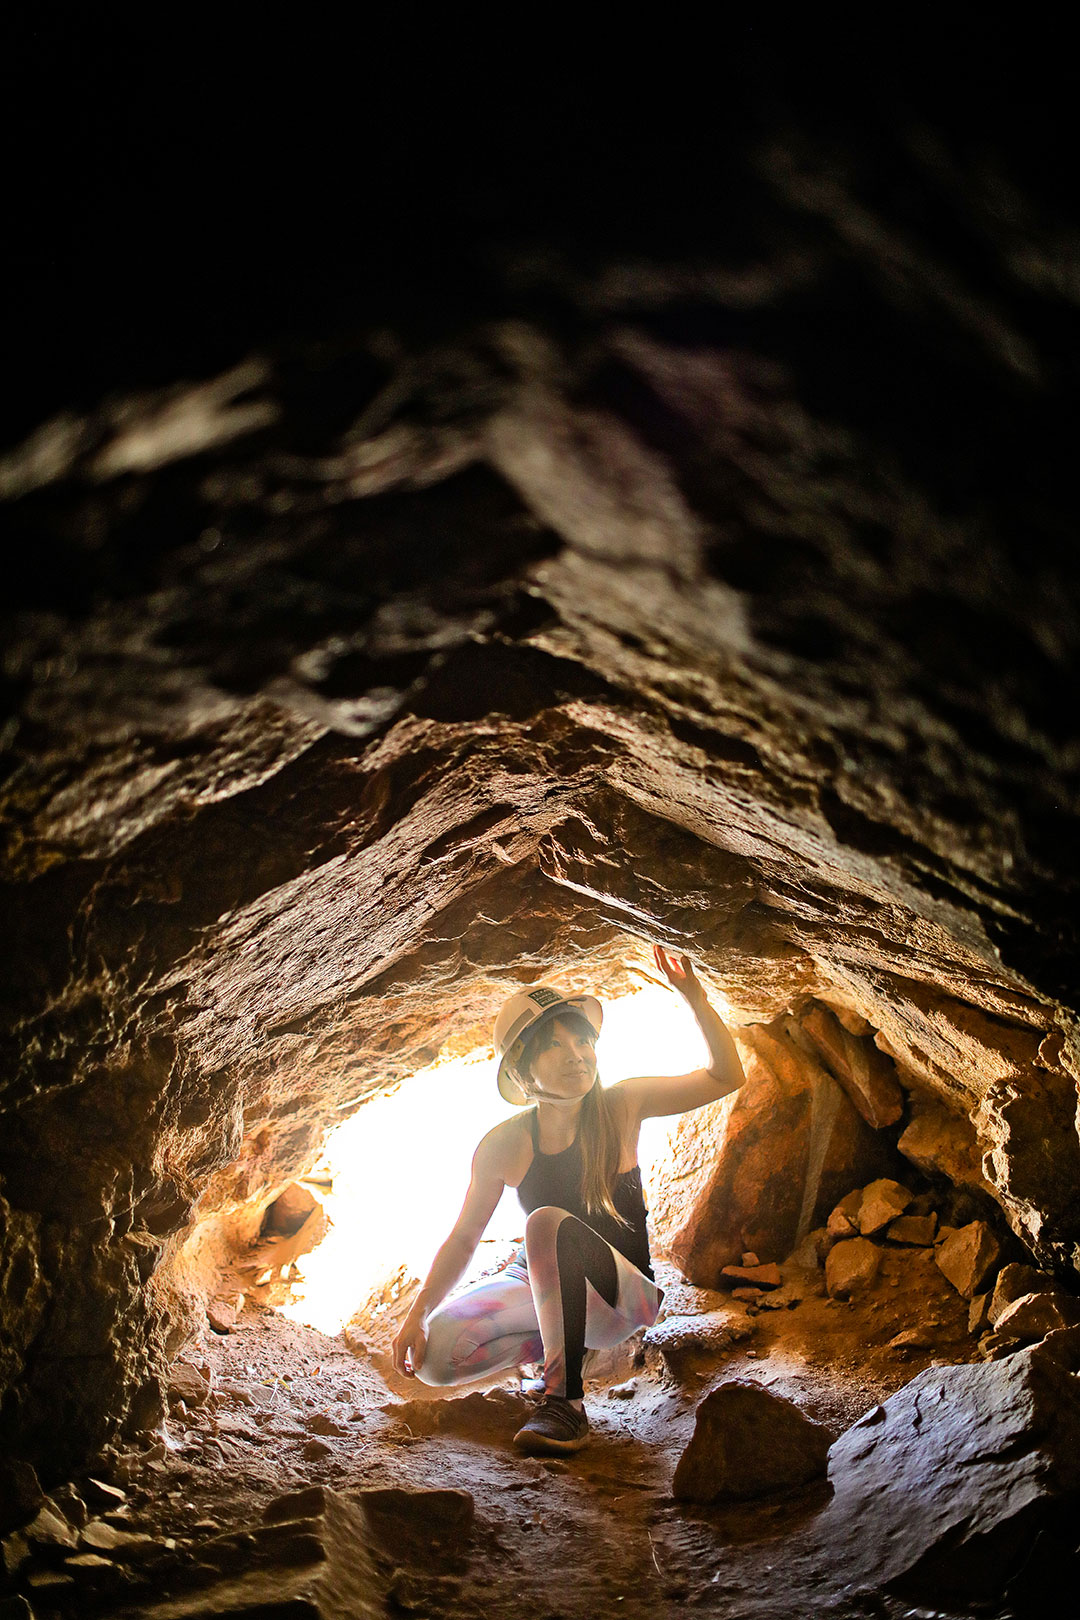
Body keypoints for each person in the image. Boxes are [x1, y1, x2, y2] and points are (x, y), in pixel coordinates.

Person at [390, 945, 745, 1455]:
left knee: (544, 1225)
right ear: (520, 1071)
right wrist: (418, 1314)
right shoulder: (503, 1144)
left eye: (582, 1039)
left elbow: (726, 1076)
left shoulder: (623, 1104)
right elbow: (465, 1236)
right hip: (540, 1284)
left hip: (621, 1295)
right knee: (436, 1358)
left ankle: (565, 1403)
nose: (577, 1053)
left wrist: (694, 998)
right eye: (555, 1045)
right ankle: (558, 1354)